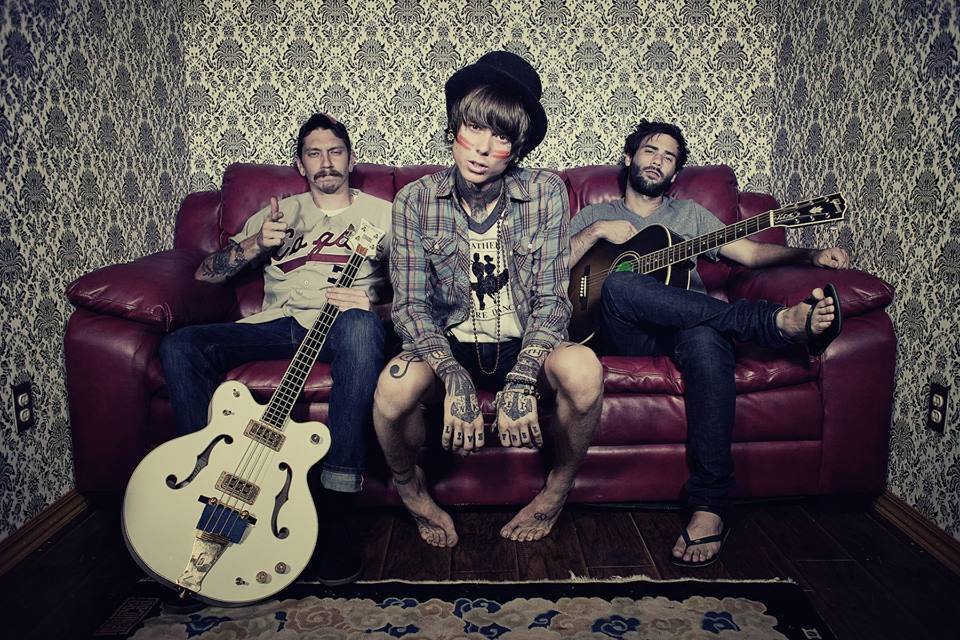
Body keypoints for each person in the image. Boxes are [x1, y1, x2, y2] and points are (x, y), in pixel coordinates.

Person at [568, 120, 848, 567]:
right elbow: (553, 268)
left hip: (690, 325)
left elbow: (751, 254)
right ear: (629, 157)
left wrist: (809, 255)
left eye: (669, 157)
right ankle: (771, 323)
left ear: (675, 172)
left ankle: (709, 506)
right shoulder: (593, 215)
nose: (658, 161)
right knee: (620, 284)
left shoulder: (690, 216)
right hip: (625, 333)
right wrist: (599, 230)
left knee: (707, 337)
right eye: (650, 150)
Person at [372, 51, 603, 547]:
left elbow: (552, 300)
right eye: (474, 127)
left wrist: (522, 376)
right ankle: (413, 492)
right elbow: (409, 307)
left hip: (525, 345)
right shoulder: (415, 200)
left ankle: (556, 491)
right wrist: (453, 376)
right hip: (448, 347)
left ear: (516, 149)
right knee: (392, 391)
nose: (481, 148)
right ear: (454, 128)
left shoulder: (545, 193)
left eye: (500, 137)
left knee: (585, 371)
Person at [159, 113, 392, 585]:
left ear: (351, 159)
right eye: (314, 154)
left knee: (360, 328)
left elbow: (423, 292)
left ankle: (337, 504)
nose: (326, 162)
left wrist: (372, 306)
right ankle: (208, 474)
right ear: (301, 165)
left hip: (345, 325)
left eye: (335, 151)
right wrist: (254, 244)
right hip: (278, 324)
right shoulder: (277, 213)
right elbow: (206, 274)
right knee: (182, 345)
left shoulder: (386, 215)